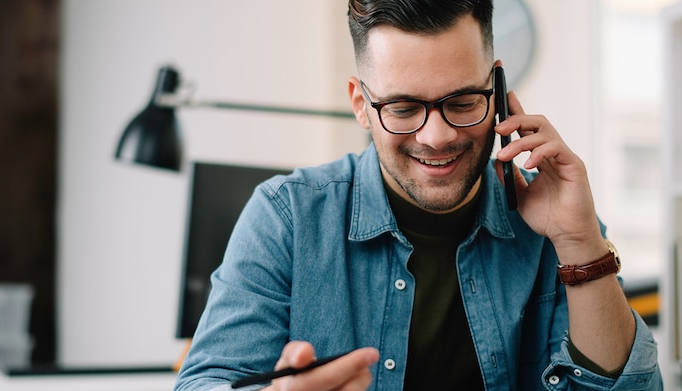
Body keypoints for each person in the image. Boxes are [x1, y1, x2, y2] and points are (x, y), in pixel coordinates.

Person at [175, 1, 662, 390]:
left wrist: (579, 243)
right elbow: (203, 382)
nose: (436, 137)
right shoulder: (286, 217)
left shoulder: (559, 221)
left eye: (462, 101)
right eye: (404, 107)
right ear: (360, 105)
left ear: (496, 88)